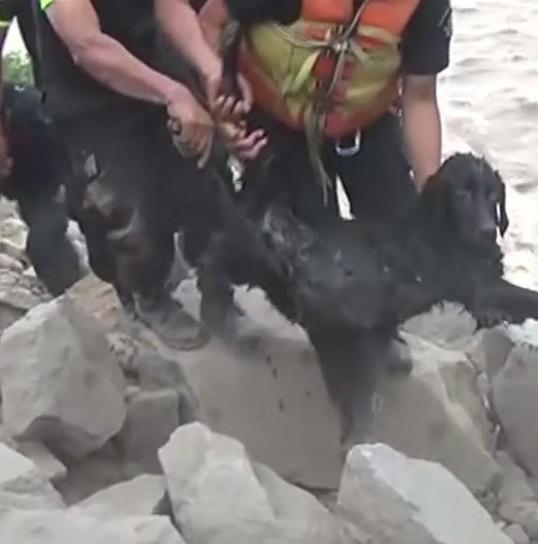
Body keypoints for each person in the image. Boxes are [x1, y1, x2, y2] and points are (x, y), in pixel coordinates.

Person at [30, 0, 240, 350]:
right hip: (90, 102)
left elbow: (168, 4)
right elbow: (87, 46)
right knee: (133, 213)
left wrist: (210, 67)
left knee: (205, 178)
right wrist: (173, 94)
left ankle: (217, 286)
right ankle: (149, 296)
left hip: (153, 63)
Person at [197, 0, 452, 228]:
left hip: (368, 125)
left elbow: (420, 99)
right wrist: (222, 103)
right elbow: (210, 22)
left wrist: (433, 199)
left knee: (407, 240)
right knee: (288, 245)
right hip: (276, 125)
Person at [0, 0, 82, 296]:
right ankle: (73, 295)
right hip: (24, 178)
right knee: (43, 234)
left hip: (39, 139)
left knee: (49, 234)